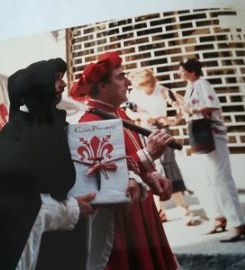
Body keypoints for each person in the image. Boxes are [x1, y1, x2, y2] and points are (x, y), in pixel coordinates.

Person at [0, 58, 96, 270]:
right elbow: (19, 205)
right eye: (56, 79)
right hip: (21, 248)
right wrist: (71, 209)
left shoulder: (52, 128)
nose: (64, 85)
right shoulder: (18, 135)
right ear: (39, 87)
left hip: (54, 244)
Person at [70, 51, 180, 270]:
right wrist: (148, 154)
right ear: (103, 87)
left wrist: (153, 175)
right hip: (120, 222)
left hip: (142, 210)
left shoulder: (120, 114)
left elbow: (135, 159)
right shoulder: (89, 123)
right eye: (121, 77)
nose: (128, 82)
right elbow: (106, 176)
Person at [179, 58, 245, 242]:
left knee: (221, 178)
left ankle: (237, 222)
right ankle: (219, 217)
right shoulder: (191, 87)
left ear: (191, 71)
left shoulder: (202, 84)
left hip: (212, 134)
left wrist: (189, 109)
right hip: (201, 136)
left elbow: (212, 105)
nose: (180, 73)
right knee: (207, 179)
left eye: (182, 70)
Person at [127, 68, 200, 226]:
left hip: (162, 130)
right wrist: (143, 116)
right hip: (145, 131)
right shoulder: (135, 93)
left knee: (167, 167)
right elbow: (130, 113)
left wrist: (173, 120)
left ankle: (180, 211)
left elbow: (182, 104)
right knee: (153, 168)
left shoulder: (162, 90)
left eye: (147, 86)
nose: (145, 89)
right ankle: (163, 212)